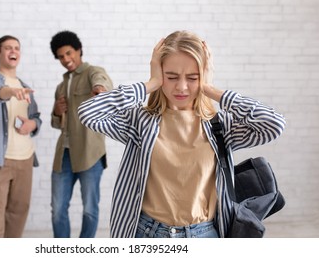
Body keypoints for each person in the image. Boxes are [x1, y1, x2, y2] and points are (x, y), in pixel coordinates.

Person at [78, 30, 286, 238]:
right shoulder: (140, 122)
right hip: (147, 233)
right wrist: (150, 84)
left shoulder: (220, 127)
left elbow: (273, 124)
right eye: (171, 77)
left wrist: (210, 89)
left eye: (193, 77)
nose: (182, 87)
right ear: (160, 74)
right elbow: (88, 113)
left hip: (203, 234)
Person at [49, 30, 113, 238]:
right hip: (64, 155)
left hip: (90, 153)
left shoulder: (92, 72)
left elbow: (100, 79)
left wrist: (100, 88)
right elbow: (56, 123)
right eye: (61, 57)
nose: (66, 60)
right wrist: (58, 112)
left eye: (69, 53)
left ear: (79, 50)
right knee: (58, 209)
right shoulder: (60, 86)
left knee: (89, 209)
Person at [0, 35, 42, 238]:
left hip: (25, 159)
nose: (13, 51)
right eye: (8, 48)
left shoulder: (25, 85)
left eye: (17, 48)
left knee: (17, 217)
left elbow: (36, 118)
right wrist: (11, 91)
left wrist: (33, 124)